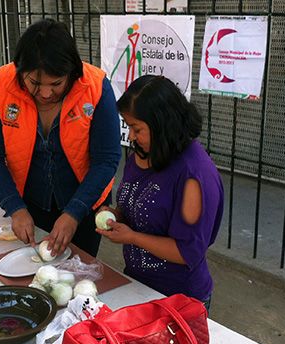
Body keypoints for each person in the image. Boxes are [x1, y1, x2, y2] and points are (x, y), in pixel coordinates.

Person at [0, 19, 121, 257]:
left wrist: (75, 212)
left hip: (84, 204)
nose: (44, 93)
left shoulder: (95, 87)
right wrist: (14, 207)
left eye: (56, 84)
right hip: (27, 205)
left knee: (76, 274)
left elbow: (107, 160)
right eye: (34, 82)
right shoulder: (0, 85)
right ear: (20, 70)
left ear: (72, 73)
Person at [96, 75, 224, 310]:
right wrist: (116, 217)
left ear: (162, 124)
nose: (132, 137)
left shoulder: (194, 174)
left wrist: (131, 237)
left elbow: (187, 251)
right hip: (136, 285)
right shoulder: (143, 155)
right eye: (129, 127)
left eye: (137, 129)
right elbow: (141, 211)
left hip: (179, 299)